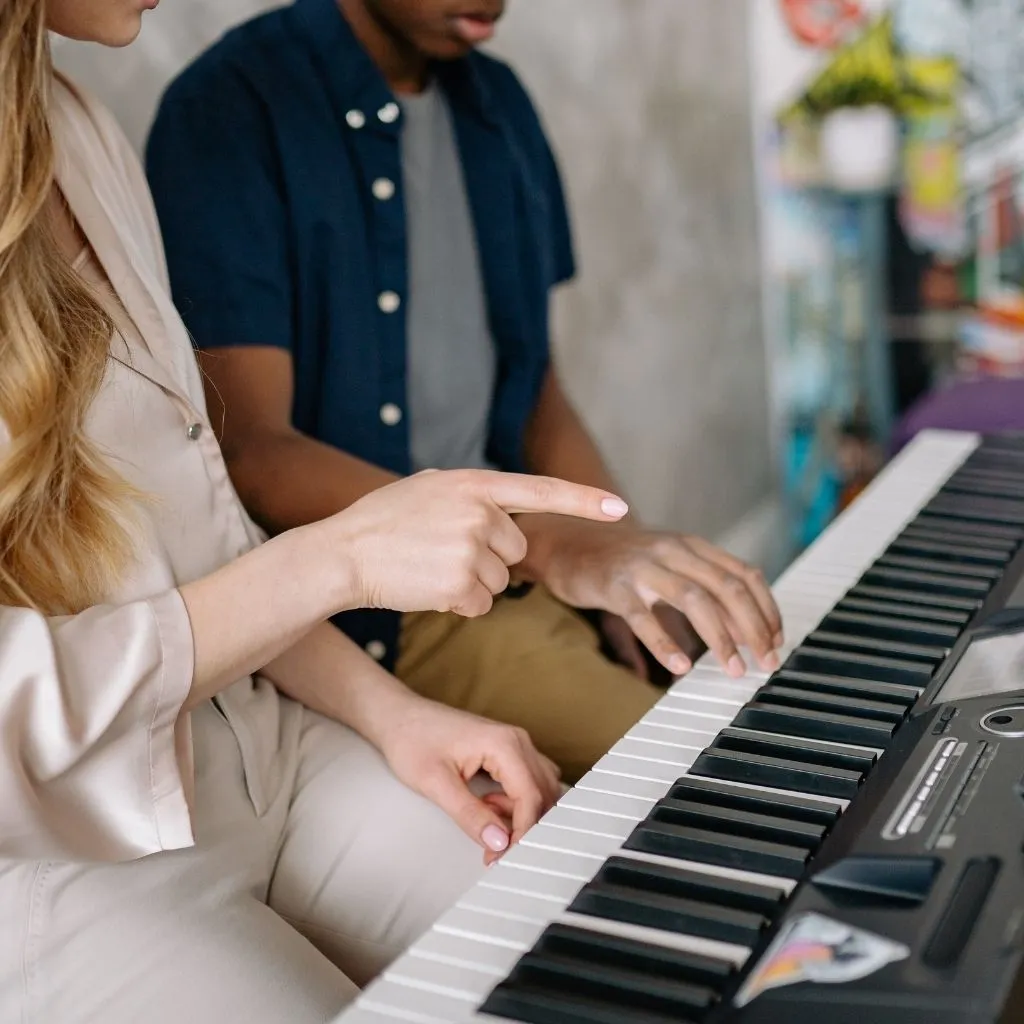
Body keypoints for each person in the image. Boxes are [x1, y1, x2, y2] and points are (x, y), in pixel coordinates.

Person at [0, 2, 636, 1021]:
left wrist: (398, 718)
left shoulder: (79, 131)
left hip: (262, 749)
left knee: (601, 953)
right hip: (66, 859)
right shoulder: (231, 107)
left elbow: (205, 532)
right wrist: (339, 561)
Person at [145, 0, 786, 784]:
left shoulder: (498, 104)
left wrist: (621, 548)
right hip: (389, 621)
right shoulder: (229, 108)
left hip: (525, 569)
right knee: (738, 772)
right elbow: (251, 451)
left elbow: (532, 390)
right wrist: (549, 546)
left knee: (780, 705)